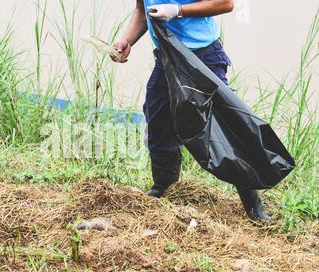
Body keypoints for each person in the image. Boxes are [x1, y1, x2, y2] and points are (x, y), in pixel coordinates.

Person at [111, 0, 271, 222]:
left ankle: (254, 207)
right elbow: (141, 10)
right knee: (158, 122)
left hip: (204, 57)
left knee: (224, 129)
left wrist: (178, 10)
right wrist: (126, 40)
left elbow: (225, 3)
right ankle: (164, 188)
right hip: (167, 57)